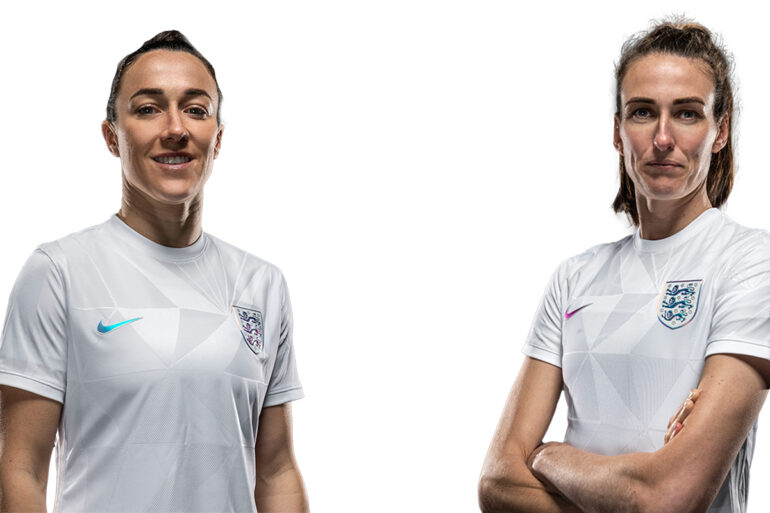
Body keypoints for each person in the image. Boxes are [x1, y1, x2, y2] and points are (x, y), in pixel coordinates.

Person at [0, 31, 309, 512]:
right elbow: (20, 466)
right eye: (147, 109)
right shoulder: (59, 272)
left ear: (218, 139)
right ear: (111, 136)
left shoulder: (262, 284)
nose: (175, 128)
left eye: (196, 109)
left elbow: (276, 469)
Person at [478, 19, 770, 513]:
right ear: (617, 131)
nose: (661, 138)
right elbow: (497, 482)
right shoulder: (574, 279)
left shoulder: (751, 264)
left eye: (686, 113)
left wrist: (548, 456)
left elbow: (670, 497)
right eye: (641, 112)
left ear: (720, 130)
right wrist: (633, 492)